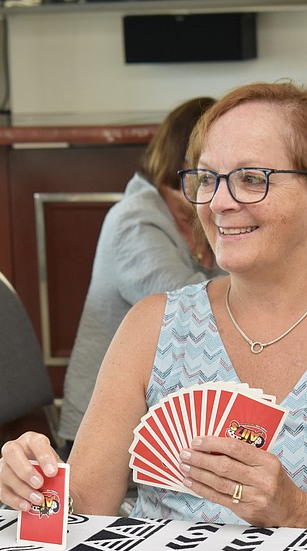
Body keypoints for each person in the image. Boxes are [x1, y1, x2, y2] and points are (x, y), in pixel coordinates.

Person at [0, 81, 307, 536]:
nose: (218, 202)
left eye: (252, 179)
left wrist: (301, 512)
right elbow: (83, 509)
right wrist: (36, 486)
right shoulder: (153, 325)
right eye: (206, 178)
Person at [57, 96, 224, 451]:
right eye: (218, 166)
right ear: (187, 163)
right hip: (108, 428)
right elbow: (187, 309)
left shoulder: (201, 216)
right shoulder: (132, 221)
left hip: (170, 417)